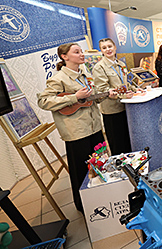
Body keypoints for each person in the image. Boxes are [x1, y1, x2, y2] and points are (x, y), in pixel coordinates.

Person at [38, 43, 117, 213]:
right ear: (64, 56)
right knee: (81, 171)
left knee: (101, 164)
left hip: (95, 128)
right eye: (76, 52)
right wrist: (74, 97)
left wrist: (106, 95)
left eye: (81, 51)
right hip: (77, 133)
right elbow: (43, 101)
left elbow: (92, 99)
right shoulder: (58, 79)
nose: (82, 54)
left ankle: (103, 198)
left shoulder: (84, 75)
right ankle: (83, 206)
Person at [93, 38, 135, 155]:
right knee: (118, 144)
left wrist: (136, 89)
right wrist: (123, 95)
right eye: (104, 48)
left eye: (110, 46)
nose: (108, 49)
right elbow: (103, 90)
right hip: (112, 111)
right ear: (101, 50)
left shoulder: (121, 64)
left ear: (115, 47)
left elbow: (125, 84)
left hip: (126, 108)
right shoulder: (99, 67)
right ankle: (121, 170)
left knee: (127, 140)